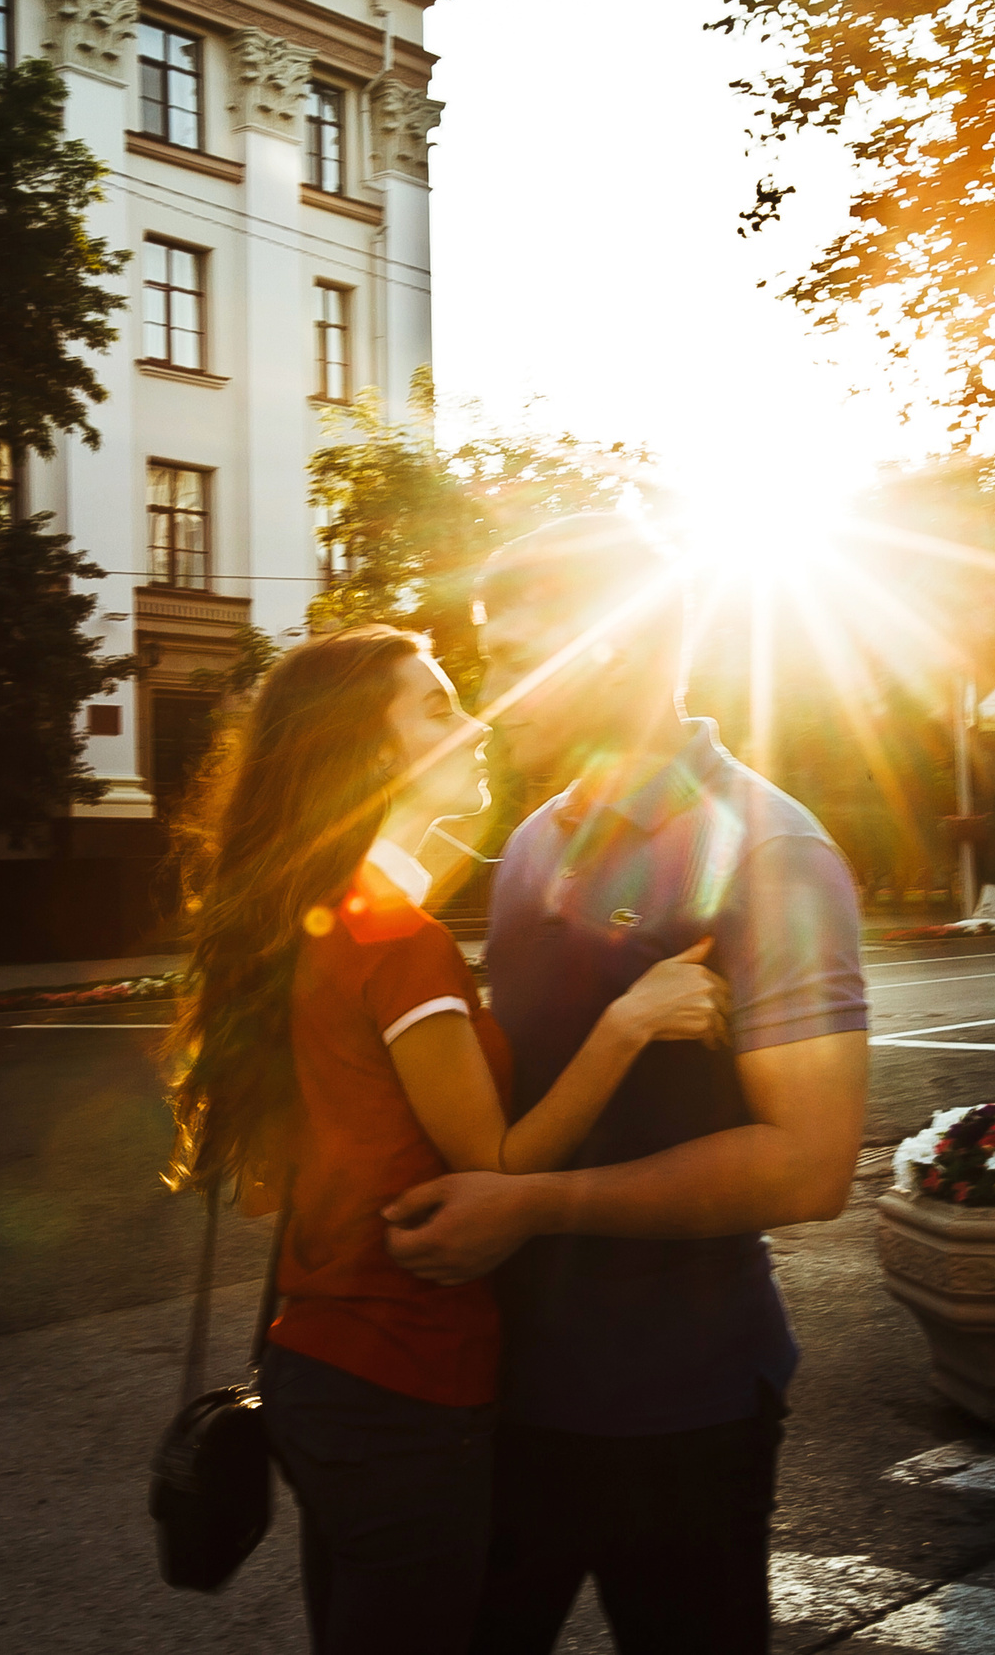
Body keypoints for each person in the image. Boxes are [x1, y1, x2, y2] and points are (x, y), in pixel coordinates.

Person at [160, 624, 730, 1655]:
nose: (473, 723)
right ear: (374, 754)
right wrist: (631, 1021)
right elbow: (497, 1167)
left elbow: (258, 1184)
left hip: (313, 1373)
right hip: (402, 1382)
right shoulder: (397, 937)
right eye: (435, 705)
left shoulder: (315, 912)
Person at [382, 515, 871, 1655]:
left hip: (679, 1413)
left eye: (511, 661)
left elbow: (810, 1165)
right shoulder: (539, 841)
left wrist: (535, 1205)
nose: (496, 694)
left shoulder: (767, 852)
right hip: (500, 1393)